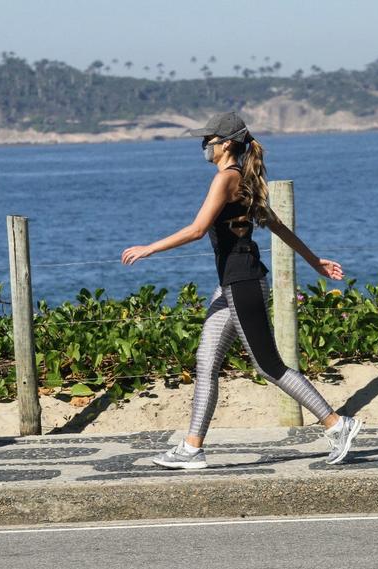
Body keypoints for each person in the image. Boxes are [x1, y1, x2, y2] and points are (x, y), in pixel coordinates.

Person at [121, 111, 362, 469]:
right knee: (206, 361)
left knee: (270, 367)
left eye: (209, 140)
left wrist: (149, 248)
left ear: (226, 144)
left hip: (243, 282)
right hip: (232, 284)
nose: (204, 145)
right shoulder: (244, 178)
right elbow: (278, 226)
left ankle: (337, 424)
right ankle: (191, 448)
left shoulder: (226, 179)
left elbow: (198, 229)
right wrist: (315, 262)